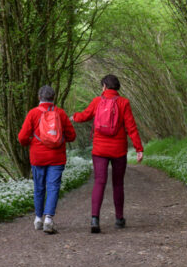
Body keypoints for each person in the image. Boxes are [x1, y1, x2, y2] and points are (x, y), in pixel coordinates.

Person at [72, 74, 143, 233]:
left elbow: (85, 116)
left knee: (99, 182)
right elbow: (131, 127)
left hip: (99, 149)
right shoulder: (124, 103)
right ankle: (119, 219)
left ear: (104, 86)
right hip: (118, 149)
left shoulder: (97, 101)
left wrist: (73, 117)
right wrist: (139, 148)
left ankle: (94, 219)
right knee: (118, 184)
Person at [18, 85, 76, 234]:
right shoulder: (60, 113)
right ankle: (48, 219)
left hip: (38, 157)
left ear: (39, 97)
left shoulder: (33, 113)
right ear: (53, 98)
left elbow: (22, 137)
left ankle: (38, 218)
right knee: (53, 187)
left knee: (39, 187)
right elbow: (72, 136)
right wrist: (60, 139)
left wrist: (31, 141)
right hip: (57, 157)